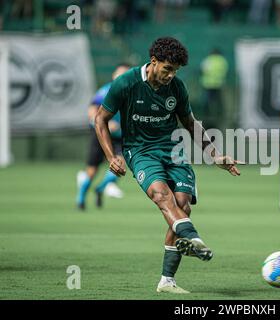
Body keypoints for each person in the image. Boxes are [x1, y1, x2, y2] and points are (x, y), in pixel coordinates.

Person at [95, 37, 241, 294]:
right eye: (167, 69)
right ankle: (194, 239)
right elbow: (100, 119)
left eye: (175, 71)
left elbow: (191, 123)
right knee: (162, 197)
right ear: (153, 62)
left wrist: (215, 154)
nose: (171, 75)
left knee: (183, 205)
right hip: (140, 152)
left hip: (173, 152)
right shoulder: (126, 82)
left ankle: (167, 281)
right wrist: (111, 156)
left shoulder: (177, 87)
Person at [76, 63, 131, 211]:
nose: (121, 77)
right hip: (101, 134)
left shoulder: (133, 94)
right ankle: (80, 199)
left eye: (125, 74)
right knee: (92, 170)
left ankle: (100, 189)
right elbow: (92, 110)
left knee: (119, 166)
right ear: (114, 75)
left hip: (120, 137)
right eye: (119, 73)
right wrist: (106, 124)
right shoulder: (106, 91)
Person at [200, 48, 229, 129]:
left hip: (208, 84)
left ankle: (207, 116)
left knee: (207, 102)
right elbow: (225, 71)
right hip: (219, 84)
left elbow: (203, 69)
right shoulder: (223, 61)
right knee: (219, 102)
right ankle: (220, 115)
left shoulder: (208, 60)